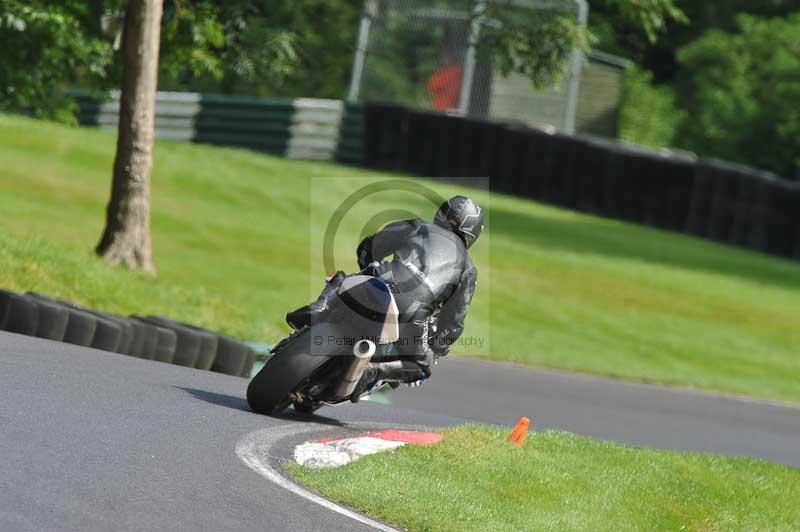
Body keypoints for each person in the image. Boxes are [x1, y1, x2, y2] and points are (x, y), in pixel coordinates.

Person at [286, 195, 484, 399]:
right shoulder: (469, 270)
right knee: (419, 368)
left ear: (442, 214)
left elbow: (370, 247)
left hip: (379, 283)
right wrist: (437, 347)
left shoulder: (418, 226)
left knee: (341, 278)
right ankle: (374, 371)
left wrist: (367, 268)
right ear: (473, 233)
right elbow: (453, 321)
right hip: (413, 313)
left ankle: (320, 306)